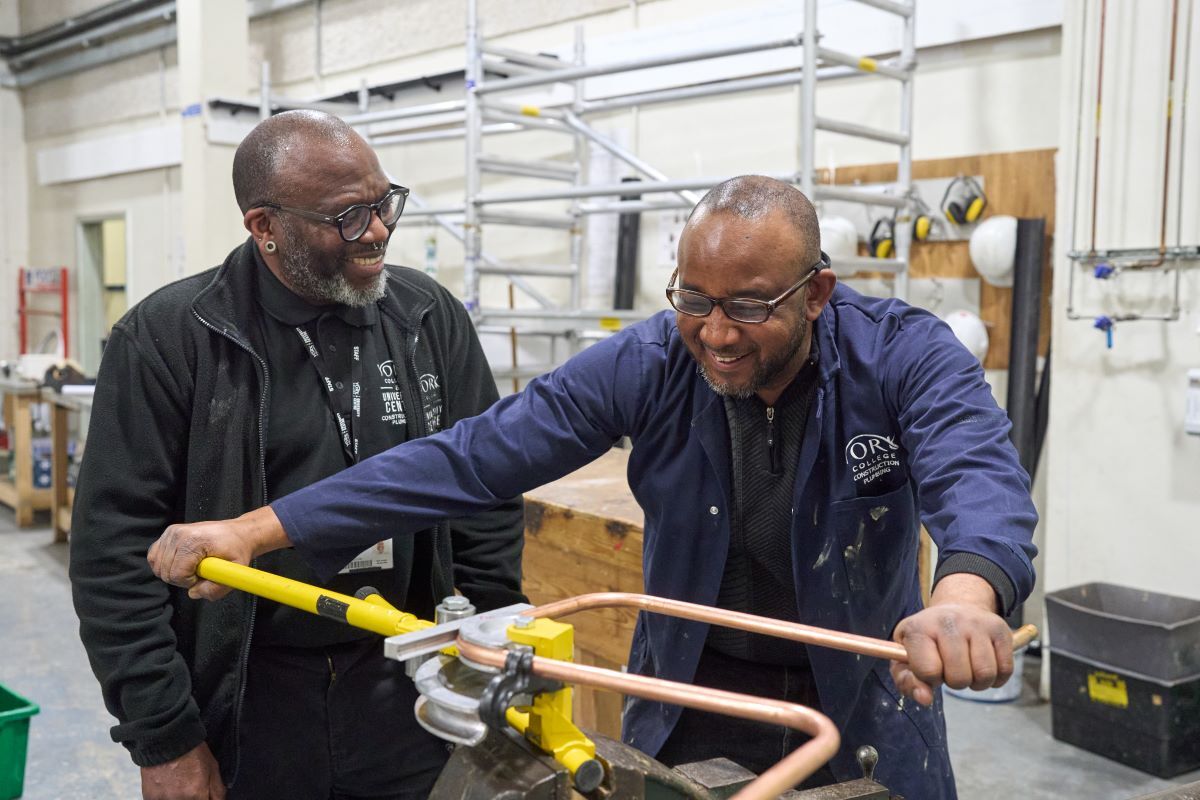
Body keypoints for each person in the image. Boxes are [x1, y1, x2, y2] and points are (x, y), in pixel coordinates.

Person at [149, 175, 1038, 799]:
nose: (717, 334)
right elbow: (472, 457)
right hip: (693, 698)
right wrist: (257, 529)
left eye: (751, 306)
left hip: (865, 697)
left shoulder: (904, 355)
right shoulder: (654, 359)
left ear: (819, 293)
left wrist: (964, 595)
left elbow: (978, 474)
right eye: (695, 297)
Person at [69, 110, 526, 800]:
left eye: (383, 203)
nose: (376, 231)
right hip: (247, 692)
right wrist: (164, 735)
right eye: (345, 216)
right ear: (265, 227)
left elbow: (486, 488)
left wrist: (491, 649)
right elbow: (114, 553)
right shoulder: (170, 339)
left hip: (402, 679)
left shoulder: (427, 318)